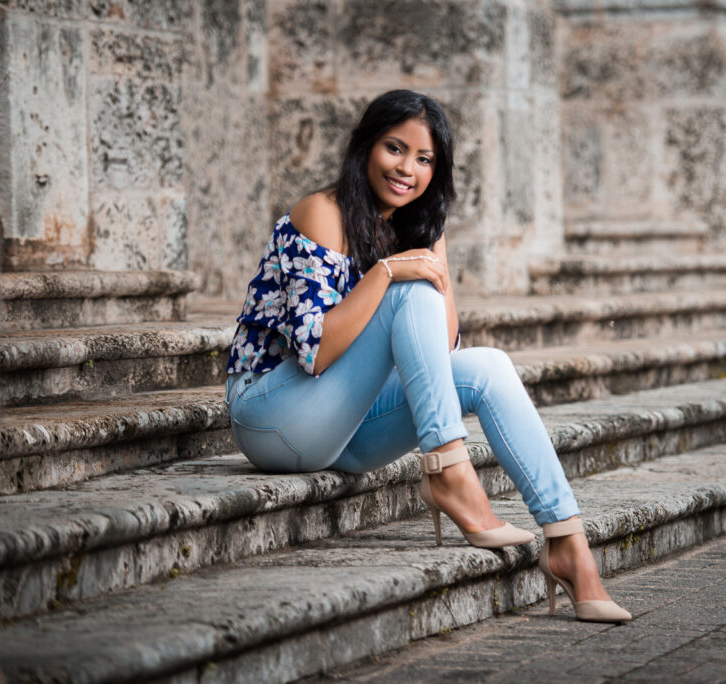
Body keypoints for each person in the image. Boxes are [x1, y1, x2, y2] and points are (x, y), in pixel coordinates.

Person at [224, 90, 631, 623]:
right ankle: (447, 472)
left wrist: (430, 244)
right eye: (395, 149)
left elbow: (437, 354)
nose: (407, 169)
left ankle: (568, 547)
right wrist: (390, 272)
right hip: (273, 413)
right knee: (406, 287)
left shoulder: (412, 224)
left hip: (341, 427)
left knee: (489, 367)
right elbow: (314, 351)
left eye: (424, 160)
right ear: (366, 146)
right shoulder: (320, 213)